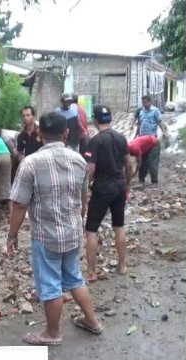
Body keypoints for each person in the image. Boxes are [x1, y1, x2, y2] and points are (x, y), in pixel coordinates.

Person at [7, 112, 103, 344]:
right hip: (72, 232)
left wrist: (12, 235)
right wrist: (78, 220)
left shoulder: (30, 163)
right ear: (66, 133)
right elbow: (82, 199)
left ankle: (52, 333)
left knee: (50, 284)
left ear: (40, 134)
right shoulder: (79, 161)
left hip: (45, 235)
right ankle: (92, 321)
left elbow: (19, 204)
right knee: (74, 278)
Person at [83, 105, 132, 281]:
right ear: (109, 119)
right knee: (119, 226)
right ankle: (122, 265)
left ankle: (90, 271)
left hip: (102, 187)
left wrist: (85, 188)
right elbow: (128, 163)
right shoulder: (121, 138)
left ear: (95, 120)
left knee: (92, 229)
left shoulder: (95, 141)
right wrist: (127, 185)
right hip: (119, 186)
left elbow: (91, 168)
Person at [134, 96, 169, 184]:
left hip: (152, 140)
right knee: (143, 160)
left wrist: (164, 132)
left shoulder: (155, 111)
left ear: (150, 102)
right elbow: (139, 123)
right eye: (143, 103)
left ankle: (154, 181)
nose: (144, 104)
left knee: (152, 161)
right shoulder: (141, 111)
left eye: (145, 103)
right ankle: (141, 179)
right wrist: (136, 134)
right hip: (142, 140)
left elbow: (159, 122)